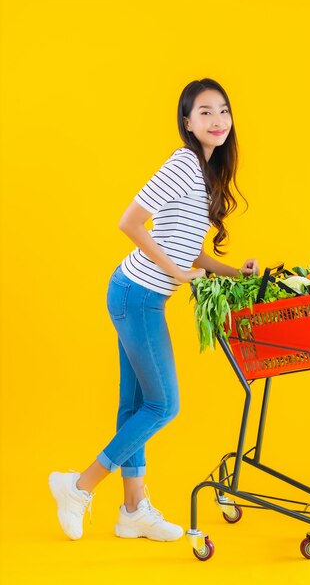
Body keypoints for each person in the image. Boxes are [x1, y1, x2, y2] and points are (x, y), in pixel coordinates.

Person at [48, 78, 259, 542]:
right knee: (163, 405)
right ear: (187, 122)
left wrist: (230, 272)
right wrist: (178, 274)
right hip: (137, 295)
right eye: (204, 112)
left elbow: (187, 248)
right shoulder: (184, 162)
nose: (217, 120)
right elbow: (129, 221)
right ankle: (79, 488)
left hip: (138, 295)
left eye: (223, 110)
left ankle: (132, 511)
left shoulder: (204, 174)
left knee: (136, 406)